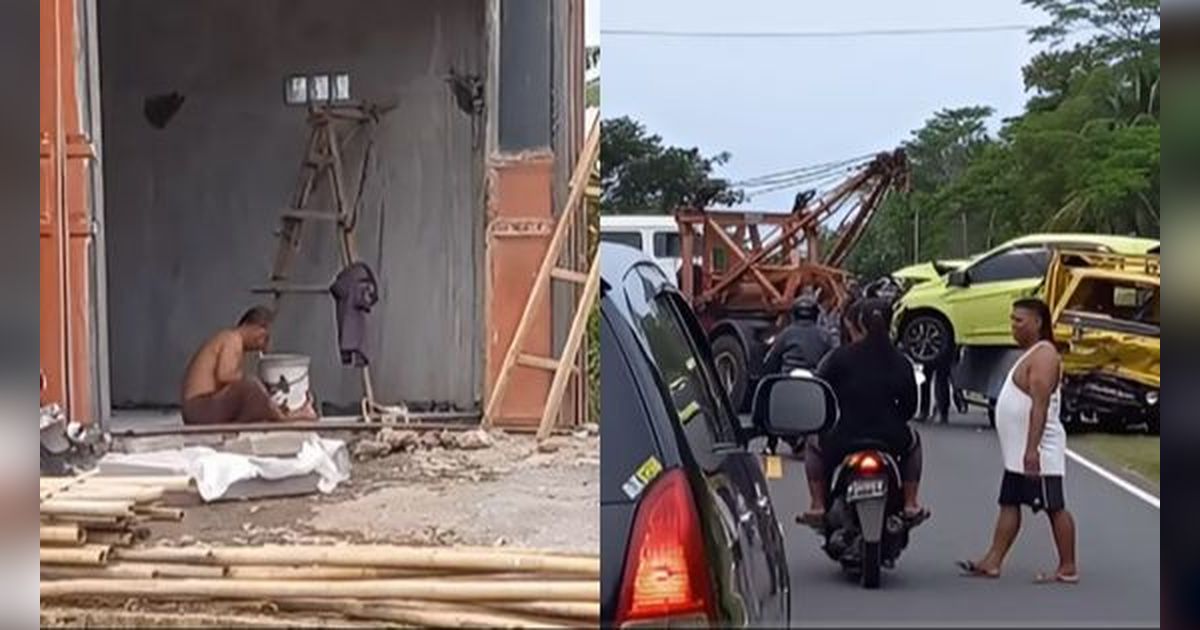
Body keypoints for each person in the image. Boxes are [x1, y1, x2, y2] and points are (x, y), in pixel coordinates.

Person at [958, 298, 1078, 584]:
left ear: (1037, 323)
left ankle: (1068, 566)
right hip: (1017, 453)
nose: (1013, 326)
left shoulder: (1045, 355)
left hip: (1037, 449)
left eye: (1019, 321)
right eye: (1012, 320)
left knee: (1054, 506)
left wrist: (1032, 450)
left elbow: (1040, 405)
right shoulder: (1031, 353)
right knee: (1009, 502)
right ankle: (993, 561)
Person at [799, 298, 929, 527]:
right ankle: (910, 503)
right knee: (914, 441)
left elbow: (819, 393)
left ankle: (818, 505)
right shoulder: (901, 362)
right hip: (891, 437)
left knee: (812, 442)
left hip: (844, 436)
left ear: (859, 323)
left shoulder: (839, 357)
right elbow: (910, 408)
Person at [181, 306, 315, 425]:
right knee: (251, 385)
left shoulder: (234, 342)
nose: (263, 345)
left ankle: (287, 414)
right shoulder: (232, 339)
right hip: (199, 408)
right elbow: (224, 375)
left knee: (254, 396)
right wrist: (256, 386)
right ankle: (288, 418)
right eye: (264, 337)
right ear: (256, 328)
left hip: (203, 407)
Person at [760, 295, 834, 454]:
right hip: (816, 382)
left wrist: (767, 372)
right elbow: (832, 359)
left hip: (789, 380)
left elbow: (771, 359)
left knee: (768, 402)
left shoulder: (786, 334)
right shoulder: (825, 335)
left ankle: (770, 444)